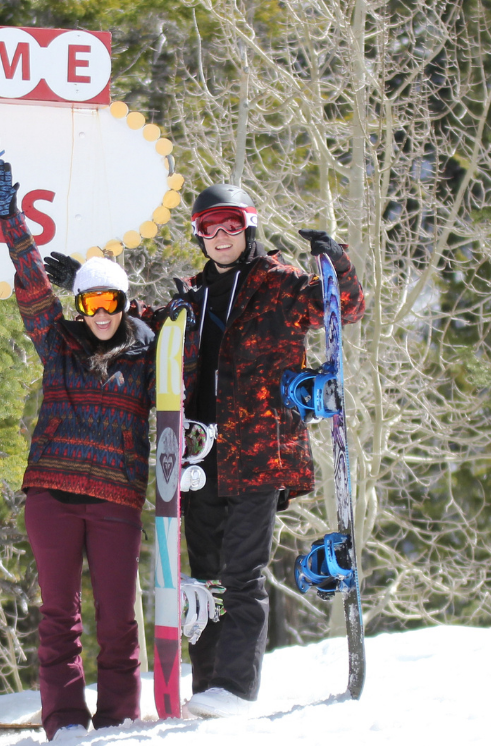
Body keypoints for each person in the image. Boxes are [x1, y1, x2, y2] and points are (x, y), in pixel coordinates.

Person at [0, 161, 195, 738]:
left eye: (112, 304)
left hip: (115, 504)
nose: (101, 317)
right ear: (78, 307)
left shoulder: (149, 355)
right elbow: (31, 282)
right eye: (90, 305)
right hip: (52, 498)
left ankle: (119, 719)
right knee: (59, 615)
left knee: (119, 618)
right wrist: (12, 219)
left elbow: (183, 381)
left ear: (125, 305)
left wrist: (178, 324)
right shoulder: (57, 345)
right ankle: (65, 722)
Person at [165, 185, 364, 717]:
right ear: (198, 234)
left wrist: (334, 262)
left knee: (243, 571)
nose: (221, 236)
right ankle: (206, 685)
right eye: (209, 227)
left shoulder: (279, 284)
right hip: (199, 455)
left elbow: (346, 307)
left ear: (248, 227)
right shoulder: (190, 296)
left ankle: (235, 686)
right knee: (202, 577)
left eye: (231, 225)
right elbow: (135, 326)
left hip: (260, 450)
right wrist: (92, 290)